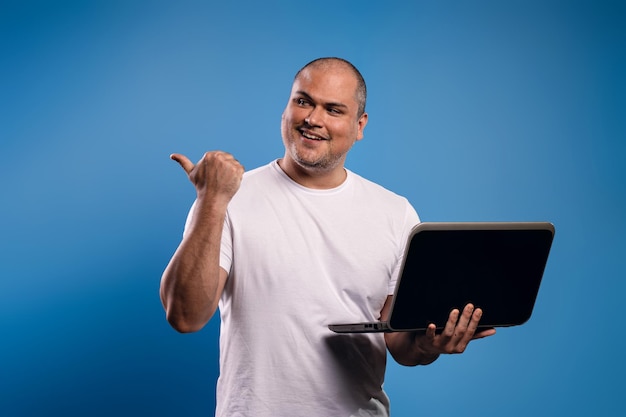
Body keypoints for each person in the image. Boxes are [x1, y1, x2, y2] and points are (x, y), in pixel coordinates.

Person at [160, 57, 496, 416]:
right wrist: (211, 200)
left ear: (359, 125)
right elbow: (184, 316)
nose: (313, 119)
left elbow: (399, 342)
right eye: (303, 101)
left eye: (333, 109)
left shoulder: (396, 213)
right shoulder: (227, 196)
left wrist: (432, 344)